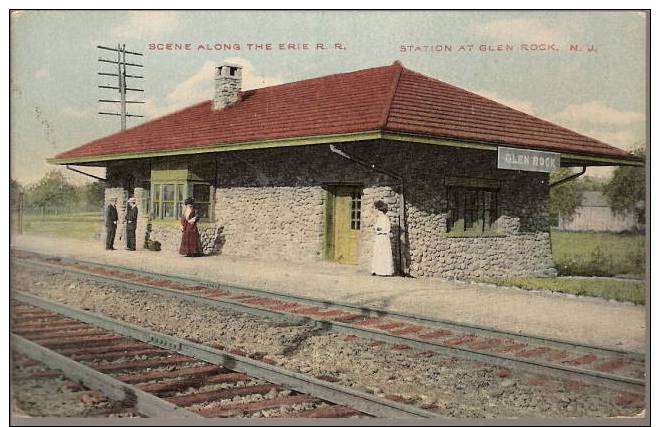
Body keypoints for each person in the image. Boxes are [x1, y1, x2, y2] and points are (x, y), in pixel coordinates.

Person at [371, 200, 394, 276]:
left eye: (377, 209)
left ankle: (384, 272)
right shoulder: (379, 218)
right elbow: (376, 227)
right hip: (379, 238)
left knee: (383, 254)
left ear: (380, 210)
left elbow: (383, 228)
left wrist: (378, 228)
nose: (376, 211)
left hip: (383, 238)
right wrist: (376, 228)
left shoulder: (385, 218)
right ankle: (377, 270)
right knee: (378, 254)